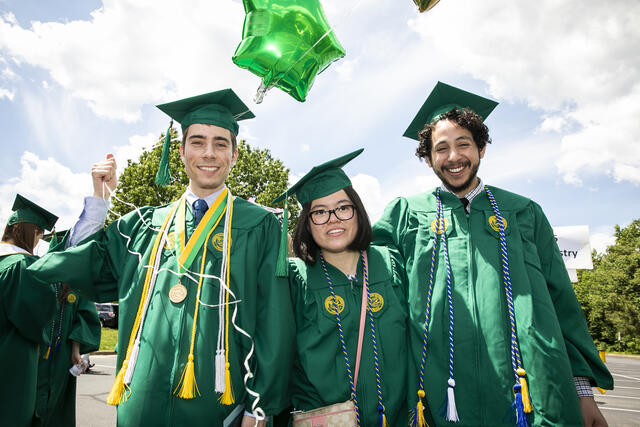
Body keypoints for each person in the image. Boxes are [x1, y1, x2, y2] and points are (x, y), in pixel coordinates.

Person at [27, 89, 295, 426]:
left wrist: (260, 408)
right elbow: (82, 266)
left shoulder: (260, 226)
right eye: (197, 142)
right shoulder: (142, 226)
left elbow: (275, 322)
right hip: (142, 403)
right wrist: (99, 202)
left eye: (220, 143)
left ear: (235, 155)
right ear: (181, 152)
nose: (209, 153)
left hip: (216, 406)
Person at [373, 82, 613, 427]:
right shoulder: (405, 214)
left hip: (527, 391)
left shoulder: (524, 212)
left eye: (463, 144)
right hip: (436, 390)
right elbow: (367, 278)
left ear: (481, 148)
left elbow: (563, 304)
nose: (454, 157)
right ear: (428, 158)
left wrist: (582, 392)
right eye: (441, 149)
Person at [273, 149, 409, 426]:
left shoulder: (391, 262)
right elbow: (282, 362)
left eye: (343, 207)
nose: (333, 218)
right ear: (307, 224)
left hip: (399, 417)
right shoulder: (295, 280)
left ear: (357, 212)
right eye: (319, 212)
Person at [0, 194, 58, 427]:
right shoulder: (21, 265)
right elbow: (38, 315)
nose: (38, 241)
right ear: (26, 230)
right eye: (38, 234)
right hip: (12, 357)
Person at [33, 231, 102, 427]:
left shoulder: (77, 287)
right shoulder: (39, 278)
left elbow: (83, 317)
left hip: (62, 355)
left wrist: (75, 350)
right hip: (37, 352)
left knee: (57, 408)